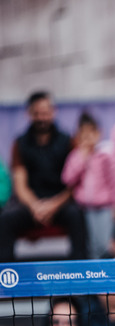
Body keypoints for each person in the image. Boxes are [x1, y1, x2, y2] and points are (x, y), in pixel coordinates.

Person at [0, 91, 89, 261]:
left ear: (53, 112)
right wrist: (36, 206)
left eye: (45, 112)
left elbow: (74, 184)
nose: (42, 118)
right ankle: (7, 278)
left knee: (77, 215)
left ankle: (79, 275)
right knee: (5, 220)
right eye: (37, 113)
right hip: (31, 205)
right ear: (29, 114)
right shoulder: (20, 144)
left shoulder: (68, 141)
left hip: (61, 203)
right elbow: (20, 184)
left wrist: (53, 205)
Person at [61, 112, 115, 257]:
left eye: (91, 133)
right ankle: (92, 270)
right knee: (88, 243)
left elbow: (114, 181)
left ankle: (104, 269)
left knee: (104, 242)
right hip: (84, 208)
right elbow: (67, 179)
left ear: (99, 133)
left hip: (104, 207)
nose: (87, 138)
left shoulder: (105, 156)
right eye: (83, 134)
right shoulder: (75, 156)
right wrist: (82, 158)